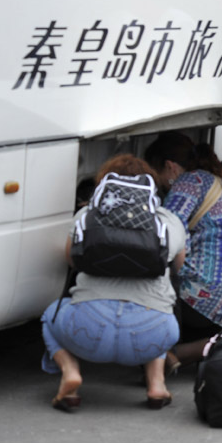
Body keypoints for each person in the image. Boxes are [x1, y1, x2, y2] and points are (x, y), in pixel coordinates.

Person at [40, 155, 186, 412]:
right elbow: (178, 266)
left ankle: (70, 372)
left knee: (49, 316)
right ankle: (156, 384)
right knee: (160, 306)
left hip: (87, 332)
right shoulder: (169, 221)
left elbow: (71, 260)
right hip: (152, 336)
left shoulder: (87, 216)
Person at [145, 132, 222, 371]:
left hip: (202, 304)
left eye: (157, 176)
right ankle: (209, 345)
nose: (159, 185)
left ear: (170, 167)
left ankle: (165, 352)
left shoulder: (187, 184)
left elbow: (166, 236)